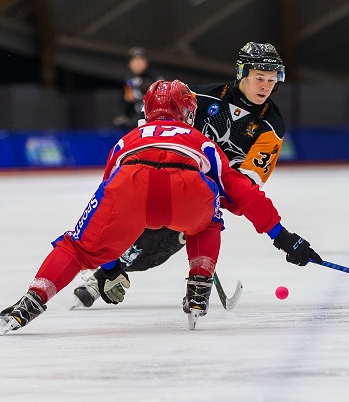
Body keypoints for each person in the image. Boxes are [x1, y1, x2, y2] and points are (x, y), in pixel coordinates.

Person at [0, 79, 321, 334]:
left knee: (76, 246)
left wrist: (109, 269)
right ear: (187, 112)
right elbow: (243, 192)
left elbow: (105, 200)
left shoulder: (127, 140)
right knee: (209, 221)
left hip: (130, 186)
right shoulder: (202, 141)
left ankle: (32, 300)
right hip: (187, 194)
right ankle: (199, 284)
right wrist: (282, 236)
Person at [71, 41, 288, 308]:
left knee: (158, 249)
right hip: (165, 174)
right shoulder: (202, 96)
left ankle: (107, 273)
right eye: (259, 78)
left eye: (271, 78)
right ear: (242, 73)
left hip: (203, 192)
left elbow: (246, 182)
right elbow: (152, 113)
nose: (266, 86)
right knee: (138, 228)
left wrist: (211, 189)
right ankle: (101, 273)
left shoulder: (272, 125)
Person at [113, 47, 161, 128]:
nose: (137, 64)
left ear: (146, 62)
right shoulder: (128, 81)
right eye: (134, 61)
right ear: (129, 64)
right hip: (134, 123)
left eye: (140, 60)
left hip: (152, 122)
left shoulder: (156, 80)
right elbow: (127, 101)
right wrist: (124, 116)